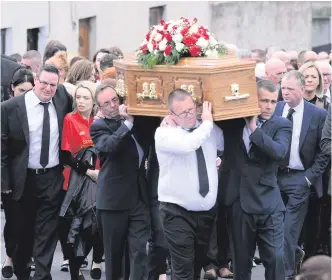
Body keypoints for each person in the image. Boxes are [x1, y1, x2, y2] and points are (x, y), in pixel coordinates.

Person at [1, 64, 74, 280]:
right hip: (21, 181)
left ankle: (42, 275)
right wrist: (4, 185)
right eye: (44, 83)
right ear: (35, 79)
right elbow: (2, 151)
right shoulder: (10, 108)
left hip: (50, 178)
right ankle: (23, 271)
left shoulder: (62, 99)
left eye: (53, 84)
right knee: (22, 236)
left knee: (47, 232)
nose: (48, 89)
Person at [215, 80, 292, 280]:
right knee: (241, 263)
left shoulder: (282, 124)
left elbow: (279, 152)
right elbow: (212, 109)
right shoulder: (232, 122)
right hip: (239, 202)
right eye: (264, 100)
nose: (268, 106)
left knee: (275, 257)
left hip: (269, 202)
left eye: (273, 101)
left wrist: (253, 128)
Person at [155, 89, 224, 280]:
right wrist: (208, 122)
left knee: (195, 269)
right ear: (171, 115)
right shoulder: (165, 133)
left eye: (192, 109)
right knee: (183, 270)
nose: (190, 115)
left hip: (206, 213)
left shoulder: (208, 129)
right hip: (176, 212)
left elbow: (225, 143)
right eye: (183, 113)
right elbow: (189, 144)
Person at [90, 84, 157, 280]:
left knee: (139, 251)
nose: (113, 105)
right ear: (100, 108)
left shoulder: (138, 120)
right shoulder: (98, 126)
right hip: (113, 201)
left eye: (115, 99)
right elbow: (109, 147)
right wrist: (126, 124)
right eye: (107, 103)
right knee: (114, 255)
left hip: (138, 196)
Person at [274, 70, 329, 279]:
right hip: (274, 177)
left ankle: (286, 274)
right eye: (283, 88)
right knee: (275, 226)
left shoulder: (317, 115)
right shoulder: (275, 109)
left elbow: (324, 151)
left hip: (300, 178)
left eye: (290, 89)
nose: (285, 92)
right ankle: (293, 255)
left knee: (290, 228)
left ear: (302, 89)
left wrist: (309, 177)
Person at [60, 81, 104, 280]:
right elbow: (66, 155)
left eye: (86, 98)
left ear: (94, 101)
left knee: (93, 229)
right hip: (75, 183)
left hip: (97, 183)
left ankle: (85, 262)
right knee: (74, 229)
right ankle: (74, 271)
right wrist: (89, 172)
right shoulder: (70, 119)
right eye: (78, 97)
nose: (81, 101)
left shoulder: (98, 122)